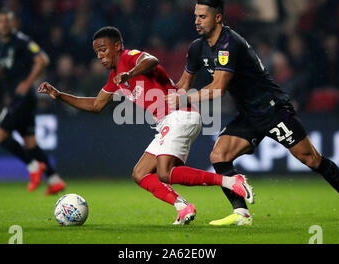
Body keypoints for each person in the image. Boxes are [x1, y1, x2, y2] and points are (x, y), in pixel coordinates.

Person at [169, 0, 339, 226]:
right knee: (219, 155)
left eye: (202, 17)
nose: (197, 21)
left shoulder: (230, 43)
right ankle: (242, 214)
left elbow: (218, 88)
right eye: (196, 16)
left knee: (311, 159)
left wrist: (186, 100)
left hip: (272, 109)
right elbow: (182, 85)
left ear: (218, 18)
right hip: (248, 114)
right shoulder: (196, 48)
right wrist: (167, 98)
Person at [38, 26, 254, 225]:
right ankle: (183, 207)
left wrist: (129, 73)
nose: (100, 56)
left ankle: (232, 181)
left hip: (180, 113)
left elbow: (151, 59)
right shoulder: (115, 76)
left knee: (165, 173)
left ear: (117, 46)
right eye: (97, 52)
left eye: (103, 50)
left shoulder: (129, 58)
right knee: (140, 174)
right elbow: (96, 104)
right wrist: (59, 96)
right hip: (168, 121)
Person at [0, 9, 65, 195]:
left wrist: (27, 82)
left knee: (0, 135)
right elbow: (1, 69)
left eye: (7, 20)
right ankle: (55, 180)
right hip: (15, 97)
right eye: (0, 21)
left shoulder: (22, 41)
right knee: (30, 143)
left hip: (23, 98)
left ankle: (33, 167)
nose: (4, 24)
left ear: (12, 22)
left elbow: (42, 60)